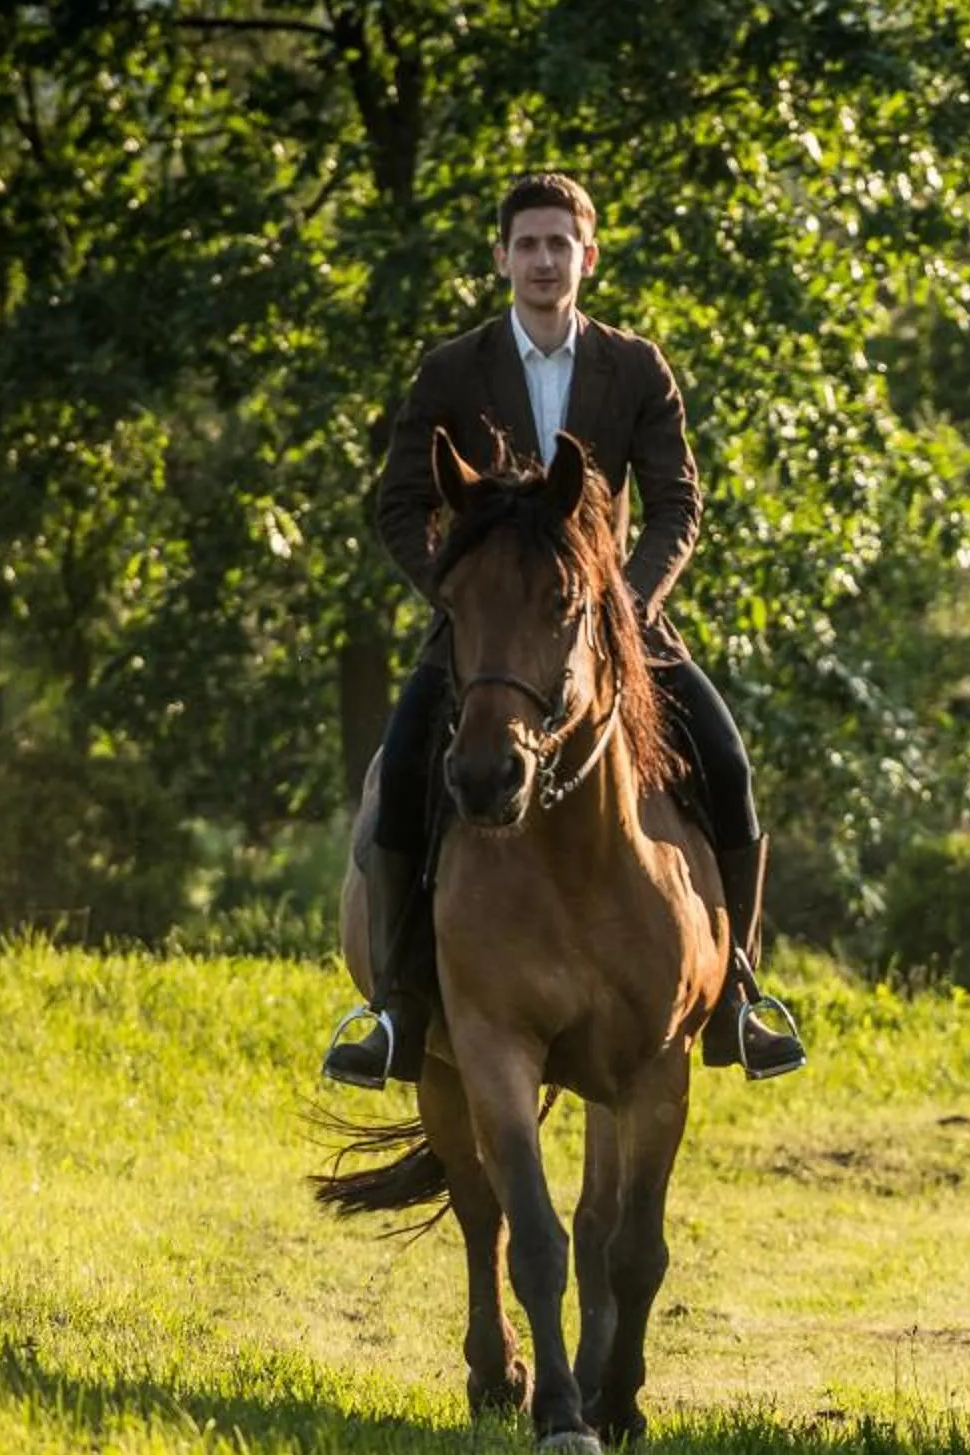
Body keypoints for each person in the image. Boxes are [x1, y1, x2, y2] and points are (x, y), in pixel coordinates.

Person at [323, 171, 806, 1088]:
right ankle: (392, 1008)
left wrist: (625, 601)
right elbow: (398, 505)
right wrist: (462, 598)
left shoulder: (636, 368)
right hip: (488, 644)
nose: (544, 261)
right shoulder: (450, 370)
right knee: (397, 786)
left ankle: (740, 994)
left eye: (560, 245)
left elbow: (678, 505)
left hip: (618, 629)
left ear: (588, 258)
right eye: (527, 244)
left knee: (730, 767)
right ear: (502, 256)